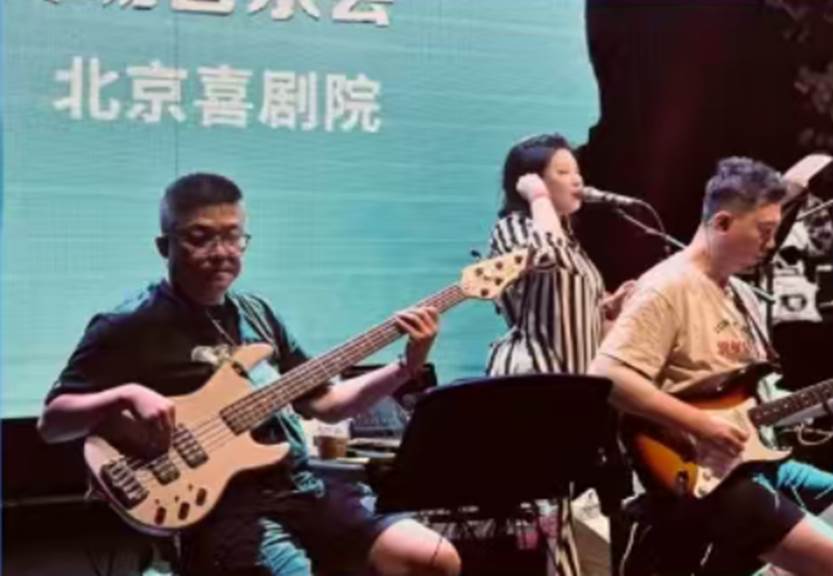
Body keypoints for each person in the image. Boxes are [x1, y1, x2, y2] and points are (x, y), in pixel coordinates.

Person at [38, 173, 461, 576]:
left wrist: (406, 366)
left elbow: (326, 404)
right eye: (200, 237)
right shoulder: (128, 324)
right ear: (164, 246)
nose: (221, 251)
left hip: (300, 485)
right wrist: (124, 395)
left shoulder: (257, 313)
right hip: (224, 508)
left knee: (433, 559)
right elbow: (53, 423)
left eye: (233, 236)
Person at [590, 157, 833, 575]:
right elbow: (608, 376)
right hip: (703, 475)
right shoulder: (668, 286)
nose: (771, 244)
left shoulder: (741, 295)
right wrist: (702, 426)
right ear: (722, 223)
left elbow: (745, 394)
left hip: (755, 460)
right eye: (764, 231)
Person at [485, 133, 633, 576]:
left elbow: (570, 310)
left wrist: (607, 309)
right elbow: (546, 255)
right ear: (529, 180)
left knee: (569, 513)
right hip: (534, 382)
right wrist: (535, 198)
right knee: (544, 516)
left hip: (575, 389)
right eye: (563, 172)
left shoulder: (572, 242)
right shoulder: (514, 227)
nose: (577, 180)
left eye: (577, 171)